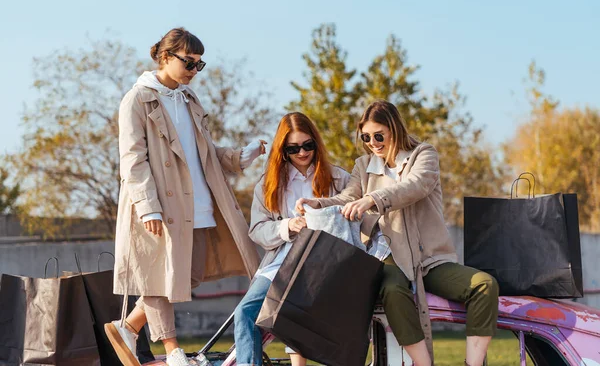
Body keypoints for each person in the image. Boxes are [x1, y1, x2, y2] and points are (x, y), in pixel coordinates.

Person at [106, 27, 265, 366]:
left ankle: (129, 326)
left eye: (199, 64)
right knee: (159, 275)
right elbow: (133, 161)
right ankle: (172, 349)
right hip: (159, 204)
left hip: (199, 201)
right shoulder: (137, 99)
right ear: (165, 57)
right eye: (189, 63)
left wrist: (240, 157)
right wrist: (148, 208)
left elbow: (204, 151)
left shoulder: (190, 99)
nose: (194, 71)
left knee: (185, 275)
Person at [296, 101, 498, 366]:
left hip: (429, 259)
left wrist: (372, 199)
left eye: (379, 135)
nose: (372, 143)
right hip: (386, 255)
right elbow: (348, 197)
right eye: (366, 137)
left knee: (484, 285)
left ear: (394, 129)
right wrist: (318, 203)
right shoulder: (363, 164)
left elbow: (415, 186)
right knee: (392, 290)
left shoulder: (423, 154)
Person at [234, 112, 350, 366]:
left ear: (316, 144)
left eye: (308, 145)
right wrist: (288, 225)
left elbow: (356, 217)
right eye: (293, 148)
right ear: (282, 149)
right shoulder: (268, 185)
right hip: (281, 262)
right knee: (245, 312)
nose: (302, 153)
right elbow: (257, 230)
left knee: (296, 311)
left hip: (326, 262)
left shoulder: (340, 179)